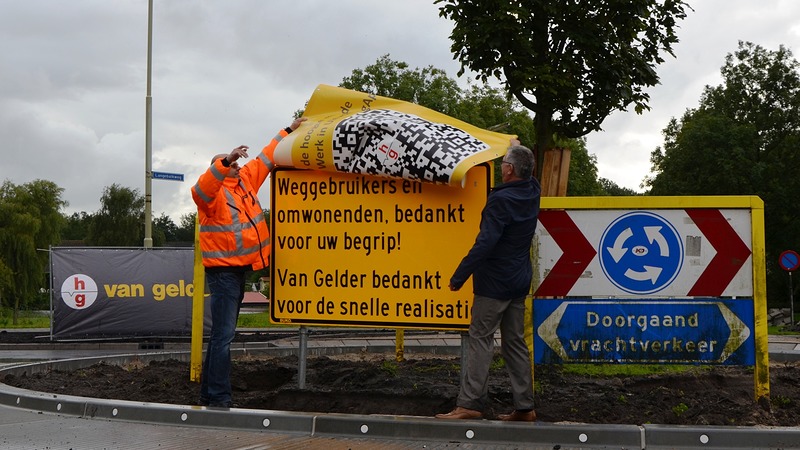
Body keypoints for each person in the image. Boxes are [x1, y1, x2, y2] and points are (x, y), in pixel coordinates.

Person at [192, 116, 306, 407]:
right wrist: (224, 160)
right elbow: (201, 189)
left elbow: (267, 156)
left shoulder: (244, 182)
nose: (237, 165)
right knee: (224, 337)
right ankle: (219, 398)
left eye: (235, 162)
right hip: (222, 274)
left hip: (239, 270)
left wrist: (289, 130)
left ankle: (209, 394)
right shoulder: (212, 195)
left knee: (221, 336)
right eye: (230, 163)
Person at [435, 143, 541, 422]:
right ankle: (525, 407)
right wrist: (515, 148)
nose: (502, 165)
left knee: (481, 339)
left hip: (493, 283)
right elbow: (528, 171)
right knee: (514, 342)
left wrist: (460, 275)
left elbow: (486, 242)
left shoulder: (500, 201)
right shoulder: (532, 191)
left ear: (508, 170)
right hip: (519, 282)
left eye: (504, 162)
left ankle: (470, 403)